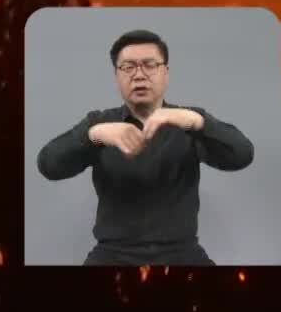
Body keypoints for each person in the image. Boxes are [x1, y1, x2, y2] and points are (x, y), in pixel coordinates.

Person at [34, 28, 256, 266]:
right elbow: (48, 164)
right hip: (113, 254)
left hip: (183, 253)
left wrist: (197, 122)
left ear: (166, 73)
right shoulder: (99, 124)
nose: (139, 75)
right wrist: (95, 136)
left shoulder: (188, 121)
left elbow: (242, 155)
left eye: (149, 65)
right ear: (116, 76)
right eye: (128, 67)